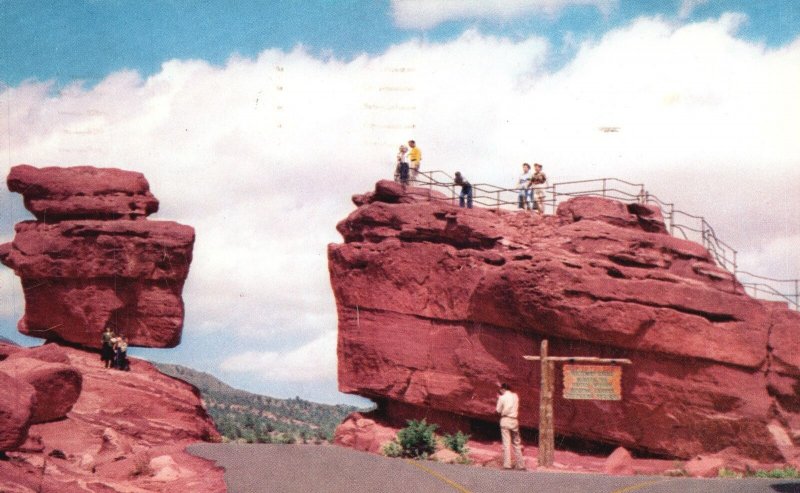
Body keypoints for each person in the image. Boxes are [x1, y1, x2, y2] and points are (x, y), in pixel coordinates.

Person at [496, 383, 525, 470]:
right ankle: (521, 465)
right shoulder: (515, 396)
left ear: (503, 389)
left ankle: (507, 465)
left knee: (506, 444)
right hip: (514, 420)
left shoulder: (502, 397)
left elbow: (498, 410)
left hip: (505, 420)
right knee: (516, 443)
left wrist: (499, 399)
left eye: (500, 390)